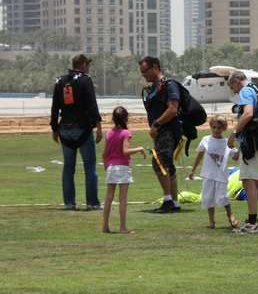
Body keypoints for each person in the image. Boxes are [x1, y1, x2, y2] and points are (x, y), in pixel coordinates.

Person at [50, 54, 103, 210]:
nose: (89, 68)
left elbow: (55, 107)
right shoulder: (85, 80)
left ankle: (69, 203)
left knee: (68, 167)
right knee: (90, 167)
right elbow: (92, 105)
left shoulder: (60, 81)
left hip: (65, 129)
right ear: (83, 64)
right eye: (88, 65)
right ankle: (92, 203)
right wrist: (99, 126)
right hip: (83, 129)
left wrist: (54, 128)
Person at [226, 71, 258, 234]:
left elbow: (248, 113)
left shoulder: (245, 91)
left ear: (237, 81)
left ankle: (251, 222)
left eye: (233, 88)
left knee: (248, 180)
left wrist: (234, 133)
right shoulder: (255, 89)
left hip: (251, 142)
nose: (235, 92)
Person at [139, 56, 182, 213]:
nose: (144, 75)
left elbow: (172, 109)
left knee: (159, 163)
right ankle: (174, 202)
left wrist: (156, 124)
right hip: (161, 132)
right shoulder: (153, 88)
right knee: (168, 165)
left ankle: (168, 200)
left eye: (146, 71)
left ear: (156, 67)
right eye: (142, 72)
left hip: (168, 131)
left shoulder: (169, 85)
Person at [188, 115, 240, 229]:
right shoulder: (206, 140)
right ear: (211, 126)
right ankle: (212, 222)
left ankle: (230, 215)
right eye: (214, 127)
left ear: (224, 129)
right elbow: (200, 155)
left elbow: (235, 157)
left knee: (222, 197)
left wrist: (239, 147)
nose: (216, 130)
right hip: (208, 174)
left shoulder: (227, 143)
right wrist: (193, 170)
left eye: (219, 128)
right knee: (208, 198)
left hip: (221, 175)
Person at [102, 106, 146, 234]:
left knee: (109, 197)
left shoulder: (109, 133)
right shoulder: (126, 133)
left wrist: (106, 165)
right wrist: (140, 149)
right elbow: (125, 151)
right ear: (126, 118)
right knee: (122, 198)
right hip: (122, 167)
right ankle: (122, 227)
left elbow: (104, 154)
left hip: (111, 167)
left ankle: (105, 226)